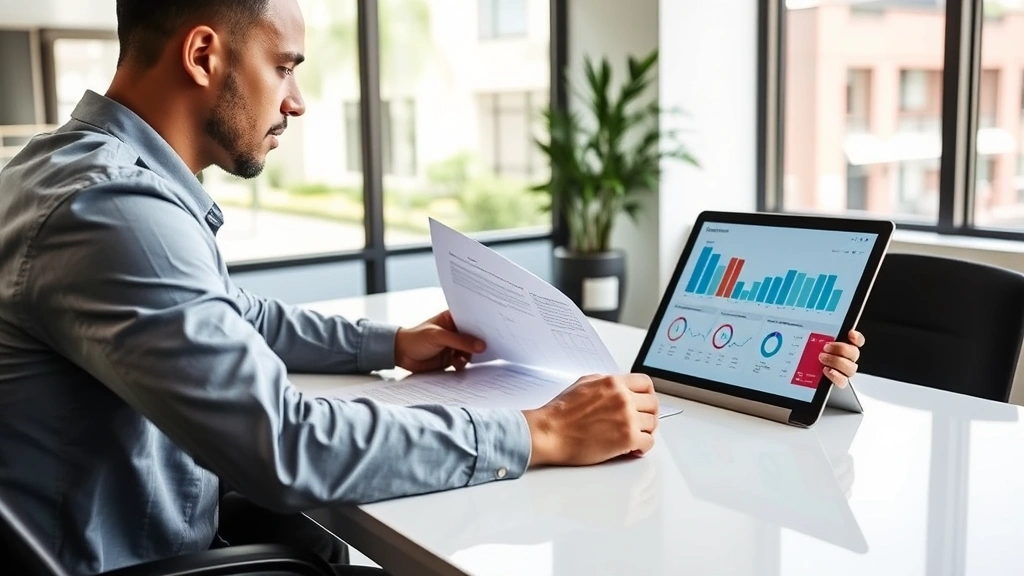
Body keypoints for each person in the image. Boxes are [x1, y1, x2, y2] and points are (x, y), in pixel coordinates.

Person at [0, 0, 866, 574]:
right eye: (286, 66)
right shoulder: (114, 209)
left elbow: (232, 313)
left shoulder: (73, 170)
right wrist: (535, 433)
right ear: (203, 54)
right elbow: (284, 442)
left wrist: (388, 342)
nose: (296, 100)